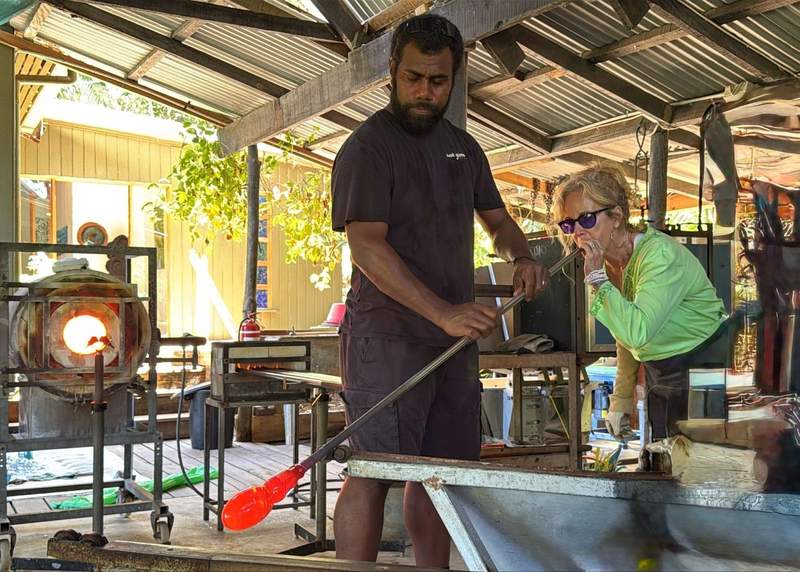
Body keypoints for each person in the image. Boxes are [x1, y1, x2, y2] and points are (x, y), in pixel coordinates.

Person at [330, 14, 548, 568]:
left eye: (438, 81)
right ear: (392, 73)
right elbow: (367, 247)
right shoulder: (368, 149)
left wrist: (521, 256)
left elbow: (498, 223)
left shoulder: (464, 148)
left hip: (451, 342)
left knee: (441, 474)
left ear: (454, 79)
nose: (425, 92)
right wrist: (443, 312)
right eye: (414, 78)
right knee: (375, 470)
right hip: (388, 336)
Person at [550, 164, 727, 443]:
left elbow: (637, 330)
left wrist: (597, 279)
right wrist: (620, 399)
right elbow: (626, 336)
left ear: (616, 217)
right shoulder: (610, 265)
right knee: (666, 459)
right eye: (569, 224)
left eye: (586, 219)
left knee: (698, 466)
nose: (577, 233)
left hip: (702, 365)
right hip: (663, 370)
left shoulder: (658, 256)